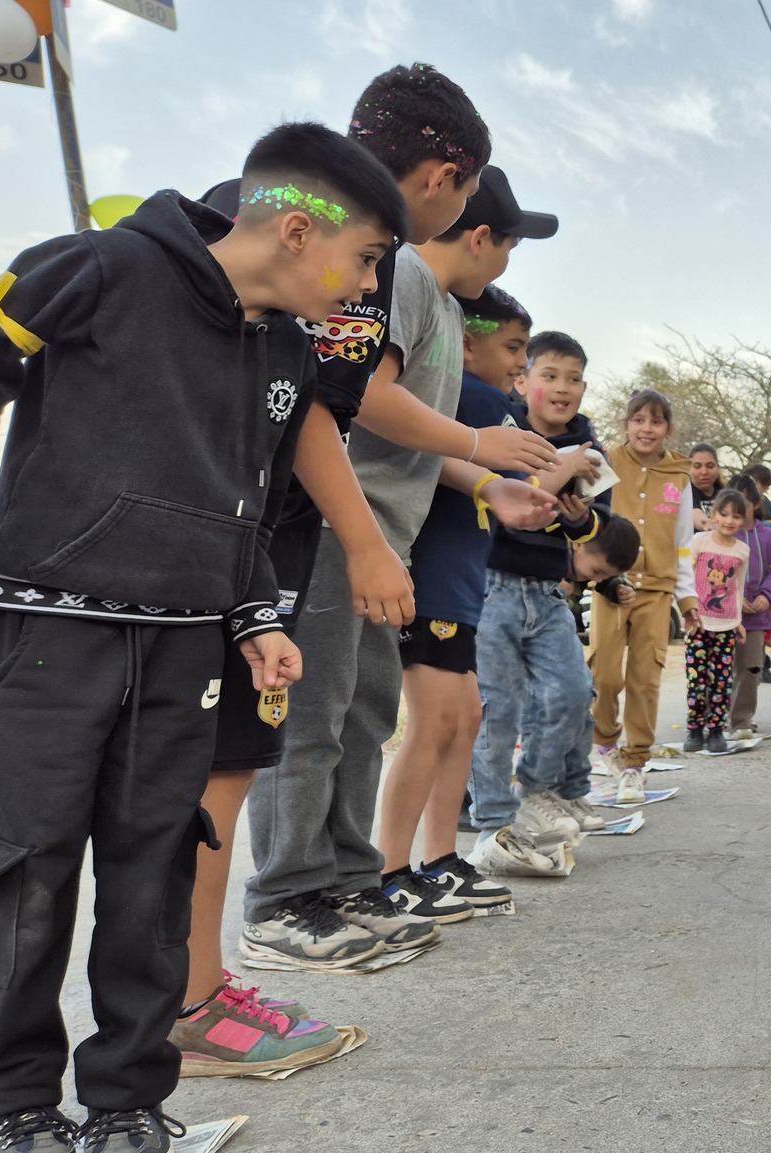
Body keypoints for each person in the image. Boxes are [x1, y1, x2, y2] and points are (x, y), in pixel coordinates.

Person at [0, 120, 403, 1153]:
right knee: (27, 872)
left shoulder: (282, 349)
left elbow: (241, 496)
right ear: (297, 228)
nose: (365, 289)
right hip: (48, 637)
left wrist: (253, 618)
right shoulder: (92, 269)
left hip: (187, 651)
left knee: (153, 873)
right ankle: (11, 1106)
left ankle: (125, 1103)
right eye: (366, 259)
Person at [174, 64, 511, 1069]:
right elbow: (336, 404)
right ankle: (278, 906)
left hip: (318, 532)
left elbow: (317, 390)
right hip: (279, 536)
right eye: (362, 262)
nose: (366, 280)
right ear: (447, 174)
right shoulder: (273, 240)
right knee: (267, 741)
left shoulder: (353, 270)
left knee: (335, 720)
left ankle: (321, 891)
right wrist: (367, 531)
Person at [241, 159, 563, 971]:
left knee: (362, 718)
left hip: (388, 537)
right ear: (476, 227)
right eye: (511, 243)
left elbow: (412, 437)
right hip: (332, 526)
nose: (509, 261)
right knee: (310, 722)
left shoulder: (444, 308)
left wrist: (489, 480)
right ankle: (284, 899)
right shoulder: (409, 276)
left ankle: (349, 880)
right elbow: (356, 396)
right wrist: (475, 443)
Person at [372, 285, 539, 917]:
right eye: (513, 347)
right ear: (466, 344)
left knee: (464, 718)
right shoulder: (476, 398)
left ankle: (440, 859)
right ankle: (393, 869)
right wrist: (571, 460)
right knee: (435, 724)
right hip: (436, 582)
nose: (520, 363)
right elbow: (525, 475)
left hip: (462, 588)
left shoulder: (475, 398)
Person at [467, 330, 639, 849]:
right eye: (549, 376)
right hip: (492, 588)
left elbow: (596, 526)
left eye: (574, 379)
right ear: (522, 381)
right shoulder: (502, 432)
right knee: (497, 708)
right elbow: (483, 500)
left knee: (571, 691)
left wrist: (581, 519)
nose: (563, 388)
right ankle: (494, 821)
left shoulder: (590, 447)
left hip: (548, 591)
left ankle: (542, 793)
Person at [588, 392, 697, 795]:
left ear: (668, 428)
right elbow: (585, 518)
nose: (646, 429)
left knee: (644, 678)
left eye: (655, 422)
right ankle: (604, 743)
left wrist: (688, 600)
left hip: (658, 591)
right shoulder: (606, 462)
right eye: (638, 420)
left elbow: (683, 543)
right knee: (605, 674)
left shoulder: (680, 476)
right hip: (610, 586)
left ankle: (635, 760)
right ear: (626, 425)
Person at [682, 489, 755, 756]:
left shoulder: (742, 551)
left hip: (726, 626)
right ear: (714, 515)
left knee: (721, 681)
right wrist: (685, 613)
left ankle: (716, 730)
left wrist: (738, 621)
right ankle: (694, 729)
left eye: (736, 516)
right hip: (698, 623)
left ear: (744, 521)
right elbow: (686, 577)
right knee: (696, 679)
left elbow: (738, 588)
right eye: (723, 514)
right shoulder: (699, 542)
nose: (729, 521)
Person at [725, 475, 771, 741]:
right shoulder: (720, 537)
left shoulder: (769, 537)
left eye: (744, 507)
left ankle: (741, 720)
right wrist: (734, 599)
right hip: (722, 616)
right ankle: (712, 719)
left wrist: (766, 596)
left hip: (756, 617)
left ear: (756, 504)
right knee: (720, 669)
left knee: (750, 669)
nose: (738, 514)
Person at [687, 442, 723, 529]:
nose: (704, 472)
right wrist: (706, 525)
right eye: (697, 466)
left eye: (710, 466)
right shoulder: (685, 493)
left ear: (717, 467)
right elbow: (694, 513)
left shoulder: (726, 493)